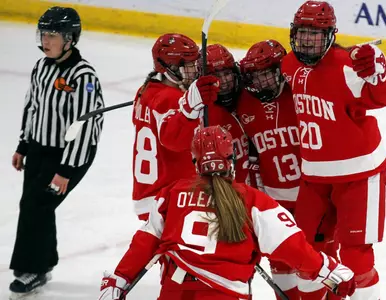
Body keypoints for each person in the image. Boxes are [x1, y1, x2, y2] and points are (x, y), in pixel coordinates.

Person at [98, 125, 357, 300]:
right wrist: (329, 270)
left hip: (175, 291)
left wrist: (119, 279)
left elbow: (146, 242)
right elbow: (292, 247)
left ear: (195, 162)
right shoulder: (253, 200)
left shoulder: (173, 193)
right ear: (231, 160)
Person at [281, 1, 386, 299]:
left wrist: (380, 71)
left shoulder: (349, 66)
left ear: (330, 36)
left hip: (359, 175)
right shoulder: (288, 66)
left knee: (356, 259)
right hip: (313, 176)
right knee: (305, 254)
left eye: (315, 34)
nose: (307, 40)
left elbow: (384, 95)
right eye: (302, 33)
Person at [9, 6, 105, 297]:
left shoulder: (83, 75)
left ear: (70, 38)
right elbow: (32, 107)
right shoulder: (41, 66)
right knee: (33, 205)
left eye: (53, 34)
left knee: (37, 206)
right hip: (39, 149)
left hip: (68, 155)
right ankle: (43, 263)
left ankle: (34, 270)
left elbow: (87, 126)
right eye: (43, 34)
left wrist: (66, 171)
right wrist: (23, 145)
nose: (46, 40)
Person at [237, 39, 303, 300]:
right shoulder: (243, 103)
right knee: (281, 261)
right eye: (256, 76)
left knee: (316, 260)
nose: (261, 82)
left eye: (267, 74)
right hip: (274, 201)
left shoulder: (299, 93)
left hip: (311, 195)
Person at [131, 33, 219, 220]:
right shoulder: (171, 99)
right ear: (169, 68)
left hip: (148, 192)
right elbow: (174, 140)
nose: (194, 71)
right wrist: (189, 110)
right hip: (169, 195)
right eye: (187, 66)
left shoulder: (144, 91)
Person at [201, 44, 250, 184]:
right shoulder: (202, 115)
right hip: (226, 193)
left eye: (227, 73)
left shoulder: (249, 96)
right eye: (215, 75)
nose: (223, 81)